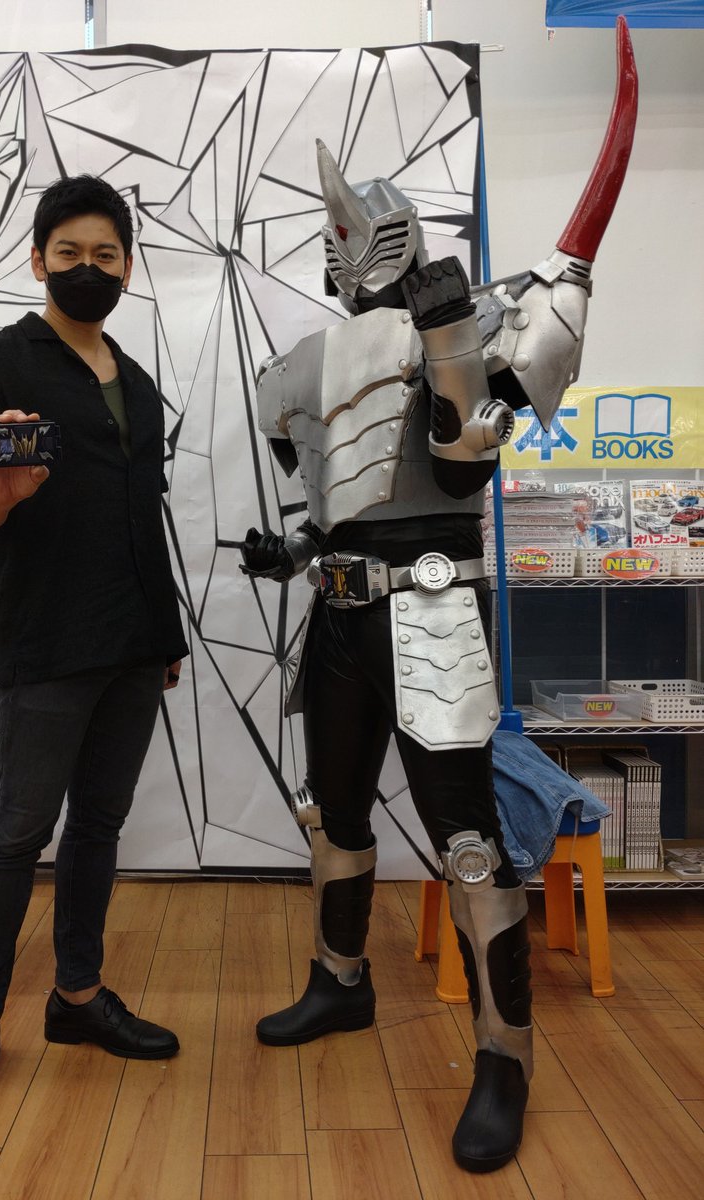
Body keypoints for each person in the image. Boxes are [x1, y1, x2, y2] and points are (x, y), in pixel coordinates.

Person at [241, 21, 636, 1173]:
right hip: (339, 611)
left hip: (431, 608)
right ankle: (340, 979)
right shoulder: (300, 367)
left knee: (468, 844)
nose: (346, 246)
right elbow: (336, 497)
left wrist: (452, 335)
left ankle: (504, 1056)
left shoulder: (458, 325)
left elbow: (467, 464)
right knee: (334, 818)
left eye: (354, 232)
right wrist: (291, 550)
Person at [0, 174, 189, 1127]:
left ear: (128, 268)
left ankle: (77, 996)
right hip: (48, 638)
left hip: (136, 642)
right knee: (16, 833)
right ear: (38, 261)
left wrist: (166, 634)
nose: (88, 269)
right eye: (69, 253)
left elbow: (142, 517)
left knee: (100, 825)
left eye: (105, 255)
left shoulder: (139, 383)